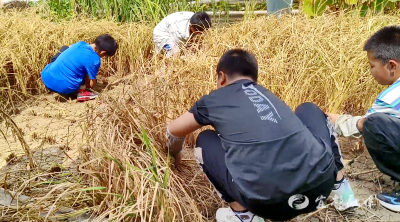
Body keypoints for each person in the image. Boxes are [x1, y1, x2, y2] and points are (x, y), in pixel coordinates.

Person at [167, 49, 358, 222]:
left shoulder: (213, 100)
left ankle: (244, 215)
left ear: (221, 77)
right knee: (309, 109)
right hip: (320, 189)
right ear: (254, 78)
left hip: (269, 205)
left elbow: (174, 130)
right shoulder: (267, 96)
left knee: (205, 139)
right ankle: (342, 190)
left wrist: (175, 156)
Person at [328, 26, 400, 213]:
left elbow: (364, 124)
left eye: (372, 66)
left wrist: (332, 120)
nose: (370, 72)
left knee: (376, 124)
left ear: (391, 65)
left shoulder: (392, 96)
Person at [41, 34, 118, 102]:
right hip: (65, 88)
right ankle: (80, 92)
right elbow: (91, 83)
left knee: (65, 48)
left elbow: (70, 49)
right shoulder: (95, 59)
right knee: (83, 73)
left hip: (46, 76)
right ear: (102, 52)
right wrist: (87, 84)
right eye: (105, 56)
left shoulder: (80, 44)